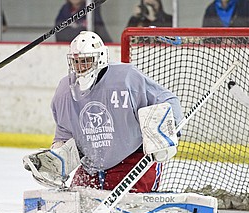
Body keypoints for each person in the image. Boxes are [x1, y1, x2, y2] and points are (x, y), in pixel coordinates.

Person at [48, 31, 183, 192]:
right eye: (76, 62)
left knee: (129, 208)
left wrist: (165, 133)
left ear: (100, 58)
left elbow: (168, 100)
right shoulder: (64, 92)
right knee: (74, 204)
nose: (81, 67)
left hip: (133, 161)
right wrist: (55, 158)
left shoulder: (126, 79)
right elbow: (64, 134)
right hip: (91, 167)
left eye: (86, 61)